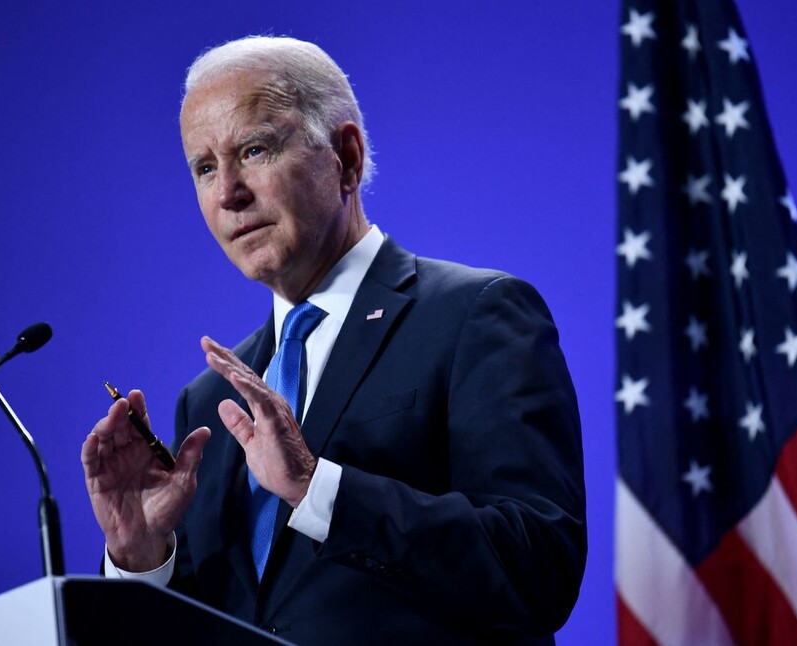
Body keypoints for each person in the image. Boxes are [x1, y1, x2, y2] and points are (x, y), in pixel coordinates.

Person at [82, 35, 586, 644]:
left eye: (255, 149)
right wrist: (141, 560)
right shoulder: (209, 401)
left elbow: (539, 567)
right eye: (205, 167)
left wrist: (317, 486)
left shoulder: (474, 316)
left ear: (345, 157)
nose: (227, 194)